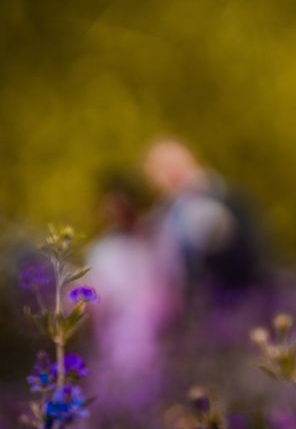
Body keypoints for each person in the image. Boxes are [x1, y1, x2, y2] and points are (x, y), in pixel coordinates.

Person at [86, 173, 179, 427]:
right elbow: (97, 296)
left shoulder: (156, 242)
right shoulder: (102, 248)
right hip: (114, 337)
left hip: (154, 339)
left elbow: (172, 290)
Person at [143, 138, 265, 310]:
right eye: (160, 168)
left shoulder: (223, 198)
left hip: (235, 301)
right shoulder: (165, 216)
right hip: (194, 310)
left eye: (173, 164)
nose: (169, 173)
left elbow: (248, 254)